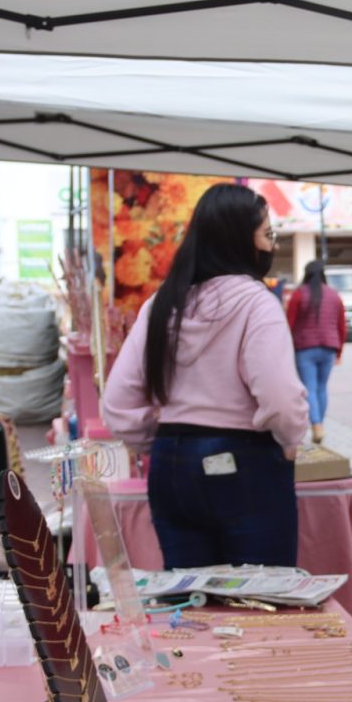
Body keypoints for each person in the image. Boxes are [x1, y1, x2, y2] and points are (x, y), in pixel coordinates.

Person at [103, 182, 308, 570]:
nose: (271, 245)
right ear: (238, 241)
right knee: (262, 606)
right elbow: (280, 397)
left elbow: (117, 401)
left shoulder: (163, 303)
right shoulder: (256, 302)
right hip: (245, 462)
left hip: (171, 466)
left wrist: (158, 442)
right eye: (267, 235)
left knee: (191, 609)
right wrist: (290, 438)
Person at [284, 260, 346, 444]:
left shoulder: (299, 294)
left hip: (304, 348)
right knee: (321, 387)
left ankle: (317, 425)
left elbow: (289, 323)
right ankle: (319, 425)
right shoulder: (334, 295)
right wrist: (339, 351)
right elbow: (342, 325)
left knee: (309, 387)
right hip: (329, 347)